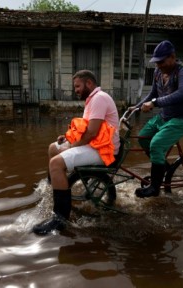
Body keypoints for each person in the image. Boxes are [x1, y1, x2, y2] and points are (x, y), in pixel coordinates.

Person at [32, 70, 121, 235]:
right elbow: (85, 129)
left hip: (103, 150)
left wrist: (73, 146)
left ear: (89, 83)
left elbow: (92, 133)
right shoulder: (92, 99)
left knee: (56, 163)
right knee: (53, 148)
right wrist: (68, 138)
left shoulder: (99, 98)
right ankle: (55, 185)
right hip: (95, 145)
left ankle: (60, 219)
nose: (76, 90)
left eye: (77, 86)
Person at [130, 40, 183, 198]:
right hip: (166, 116)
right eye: (156, 62)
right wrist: (136, 106)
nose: (158, 65)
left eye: (161, 61)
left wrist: (155, 103)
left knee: (156, 144)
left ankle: (155, 187)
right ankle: (165, 169)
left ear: (172, 57)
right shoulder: (158, 72)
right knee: (143, 137)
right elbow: (153, 93)